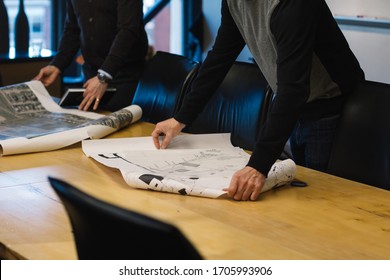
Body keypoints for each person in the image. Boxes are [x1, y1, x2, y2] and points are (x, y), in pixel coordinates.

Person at [152, 0, 365, 201]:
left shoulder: (293, 5)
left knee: (319, 196)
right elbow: (219, 59)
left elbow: (293, 89)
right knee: (297, 193)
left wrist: (258, 166)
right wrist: (180, 118)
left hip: (331, 105)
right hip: (294, 103)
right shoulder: (234, 2)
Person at [34, 0, 148, 112]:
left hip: (126, 78)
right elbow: (72, 29)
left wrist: (104, 76)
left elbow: (128, 30)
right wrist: (57, 65)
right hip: (91, 78)